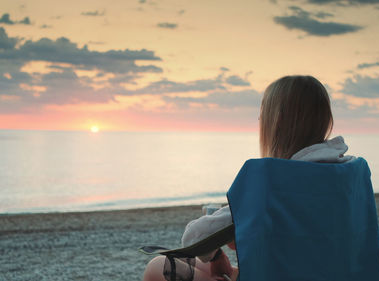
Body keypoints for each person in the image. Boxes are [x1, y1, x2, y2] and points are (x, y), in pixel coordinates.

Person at [142, 75, 354, 281]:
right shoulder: (347, 174)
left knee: (158, 267)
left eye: (262, 117)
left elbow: (193, 238)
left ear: (276, 122)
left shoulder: (271, 182)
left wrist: (216, 251)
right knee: (205, 267)